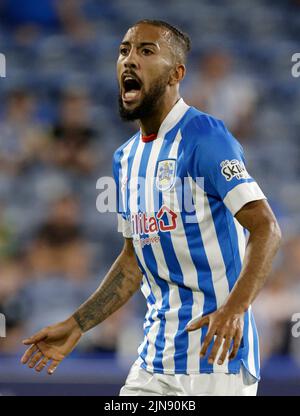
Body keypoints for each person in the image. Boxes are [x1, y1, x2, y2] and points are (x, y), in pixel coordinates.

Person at [21, 19, 281, 396]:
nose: (129, 60)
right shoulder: (125, 159)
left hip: (214, 363)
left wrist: (235, 309)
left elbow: (266, 228)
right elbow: (132, 262)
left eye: (146, 51)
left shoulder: (206, 138)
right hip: (153, 362)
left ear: (177, 73)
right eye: (124, 50)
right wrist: (78, 324)